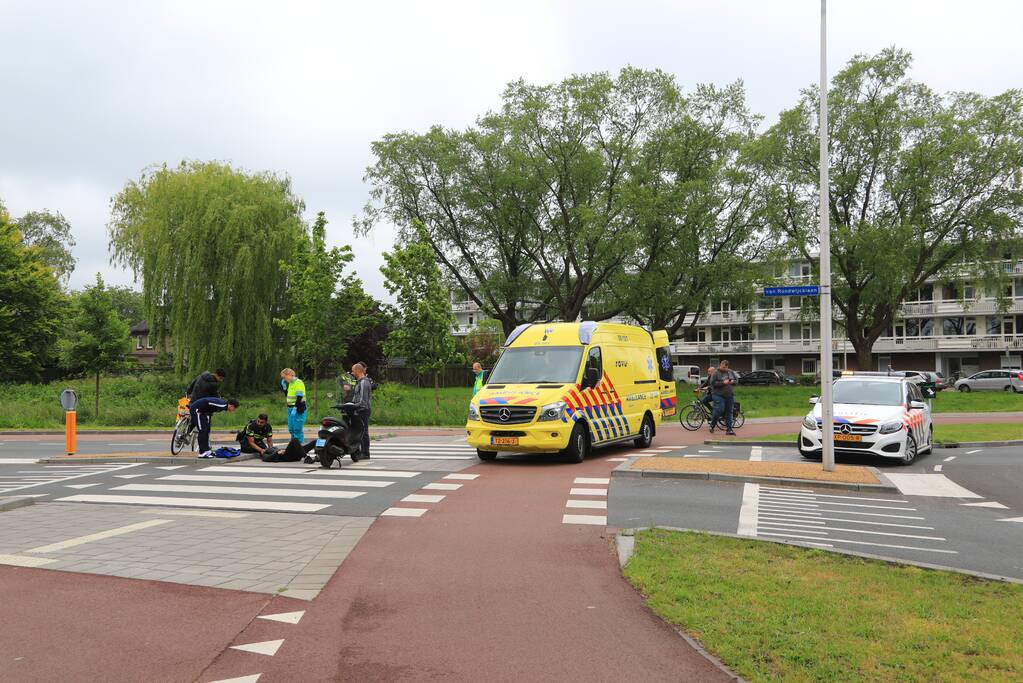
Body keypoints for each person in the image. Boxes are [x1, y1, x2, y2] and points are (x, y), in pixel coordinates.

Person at [709, 359, 738, 436]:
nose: (725, 368)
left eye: (726, 367)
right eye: (723, 367)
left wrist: (733, 382)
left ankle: (729, 429)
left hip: (729, 395)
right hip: (718, 395)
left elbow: (737, 380)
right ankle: (712, 424)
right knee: (720, 409)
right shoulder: (715, 373)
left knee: (729, 411)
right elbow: (712, 383)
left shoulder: (730, 372)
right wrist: (722, 383)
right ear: (721, 365)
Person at [351, 362, 372, 459]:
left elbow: (363, 400)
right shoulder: (359, 382)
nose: (352, 373)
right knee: (358, 431)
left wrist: (354, 406)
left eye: (353, 371)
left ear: (358, 371)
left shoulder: (364, 382)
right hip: (359, 409)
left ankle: (365, 453)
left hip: (363, 410)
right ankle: (359, 451)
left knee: (363, 431)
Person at [280, 368, 307, 443]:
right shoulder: (291, 383)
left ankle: (299, 447)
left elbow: (299, 397)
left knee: (297, 430)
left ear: (289, 375)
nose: (284, 379)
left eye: (284, 377)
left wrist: (295, 408)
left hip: (298, 408)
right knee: (291, 429)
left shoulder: (298, 383)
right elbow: (288, 396)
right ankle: (294, 445)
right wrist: (285, 388)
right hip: (290, 409)